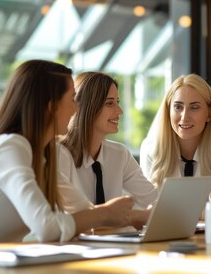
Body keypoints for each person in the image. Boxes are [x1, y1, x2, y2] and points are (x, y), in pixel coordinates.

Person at [0, 60, 133, 248]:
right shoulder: (9, 148)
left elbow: (84, 212)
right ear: (51, 106)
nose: (76, 109)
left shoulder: (43, 154)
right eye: (72, 99)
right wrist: (105, 214)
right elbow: (46, 227)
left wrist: (121, 214)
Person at [58, 72, 158, 229]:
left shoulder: (119, 154)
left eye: (117, 102)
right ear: (88, 106)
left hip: (118, 245)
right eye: (110, 103)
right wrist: (136, 216)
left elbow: (154, 199)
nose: (119, 111)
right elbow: (68, 219)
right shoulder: (58, 155)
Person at [140, 74, 211, 214]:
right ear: (168, 111)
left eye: (194, 107)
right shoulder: (151, 149)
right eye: (178, 107)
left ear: (209, 114)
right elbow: (149, 210)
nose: (184, 116)